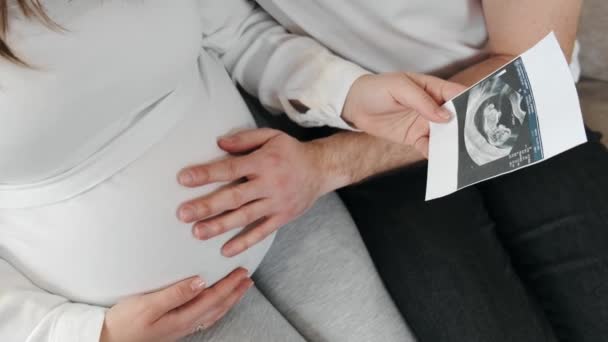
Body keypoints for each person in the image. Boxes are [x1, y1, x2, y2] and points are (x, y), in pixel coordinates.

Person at [0, 0, 463, 341]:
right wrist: (85, 333)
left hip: (289, 211)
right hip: (145, 323)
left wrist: (347, 93)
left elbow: (238, 32)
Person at [182, 1, 608, 341]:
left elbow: (530, 69)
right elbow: (234, 29)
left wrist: (331, 162)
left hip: (523, 115)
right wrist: (343, 93)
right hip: (361, 132)